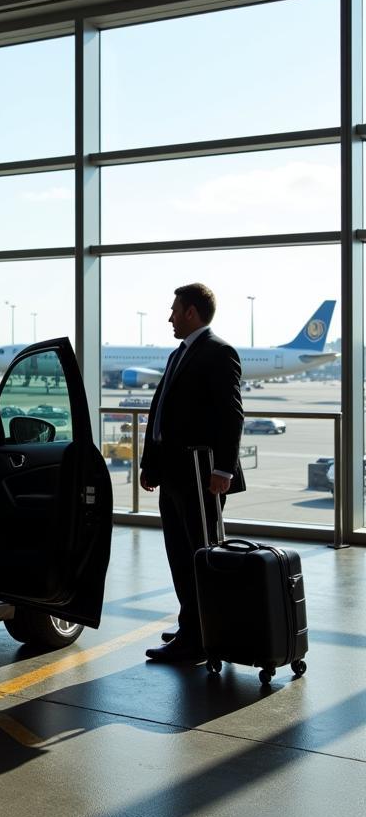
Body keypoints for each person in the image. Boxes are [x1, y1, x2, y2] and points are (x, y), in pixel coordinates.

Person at [139, 283, 246, 663]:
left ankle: (202, 637)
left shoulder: (219, 352)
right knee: (180, 555)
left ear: (191, 312)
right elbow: (161, 410)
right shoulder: (178, 355)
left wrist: (223, 469)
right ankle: (193, 625)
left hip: (200, 474)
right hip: (173, 473)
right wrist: (149, 463)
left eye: (174, 309)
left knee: (201, 555)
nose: (169, 316)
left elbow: (231, 415)